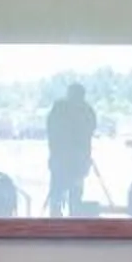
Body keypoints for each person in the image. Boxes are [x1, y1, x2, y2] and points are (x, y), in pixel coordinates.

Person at [43, 82, 97, 218]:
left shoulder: (61, 109)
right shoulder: (85, 110)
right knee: (70, 194)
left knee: (61, 193)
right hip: (71, 161)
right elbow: (89, 132)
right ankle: (69, 216)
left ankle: (61, 217)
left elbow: (51, 132)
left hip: (66, 160)